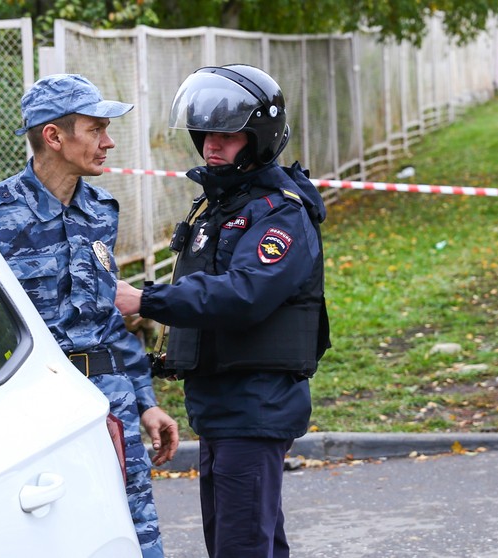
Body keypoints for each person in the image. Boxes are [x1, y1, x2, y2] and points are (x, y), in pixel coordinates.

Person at [116, 64, 330, 558]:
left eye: (228, 135)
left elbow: (245, 293)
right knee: (250, 543)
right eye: (206, 132)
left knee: (240, 546)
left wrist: (145, 300)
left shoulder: (279, 212)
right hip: (222, 408)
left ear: (257, 138)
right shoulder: (220, 204)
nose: (212, 144)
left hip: (254, 407)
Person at [0, 73, 180, 558]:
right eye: (96, 130)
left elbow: (108, 321)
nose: (108, 143)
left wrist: (144, 401)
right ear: (54, 136)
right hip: (35, 409)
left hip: (109, 403)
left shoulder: (100, 212)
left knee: (136, 534)